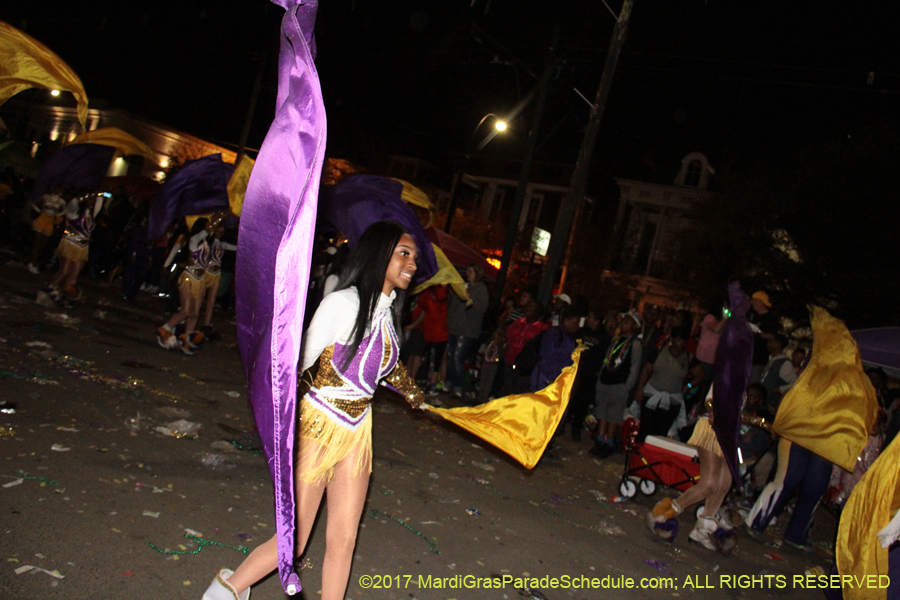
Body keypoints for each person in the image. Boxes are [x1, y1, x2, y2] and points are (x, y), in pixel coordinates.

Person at [203, 221, 425, 600]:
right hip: (317, 426)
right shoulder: (342, 303)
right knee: (297, 537)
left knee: (344, 538)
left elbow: (384, 366)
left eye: (415, 257)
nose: (413, 264)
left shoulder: (388, 315)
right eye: (404, 254)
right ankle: (226, 590)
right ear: (379, 254)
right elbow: (297, 367)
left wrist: (415, 394)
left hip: (358, 434)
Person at [648, 386, 738, 555]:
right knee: (709, 483)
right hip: (712, 429)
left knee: (724, 483)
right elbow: (710, 400)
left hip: (729, 433)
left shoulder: (742, 378)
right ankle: (663, 514)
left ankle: (702, 530)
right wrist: (713, 412)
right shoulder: (728, 370)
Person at [634, 326, 705, 440]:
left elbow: (701, 374)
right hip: (651, 396)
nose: (680, 343)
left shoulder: (688, 358)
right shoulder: (659, 351)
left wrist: (689, 385)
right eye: (678, 339)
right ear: (672, 339)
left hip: (672, 401)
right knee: (645, 430)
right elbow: (646, 370)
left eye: (683, 340)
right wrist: (639, 389)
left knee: (661, 433)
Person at [157, 217, 216, 355]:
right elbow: (206, 231)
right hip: (189, 278)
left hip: (199, 280)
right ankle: (165, 329)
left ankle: (187, 340)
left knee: (195, 313)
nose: (210, 228)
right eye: (207, 226)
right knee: (186, 311)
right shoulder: (194, 240)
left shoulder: (206, 243)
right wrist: (223, 215)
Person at [590, 310, 642, 458]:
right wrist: (601, 374)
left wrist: (628, 386)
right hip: (606, 380)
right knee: (602, 412)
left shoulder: (635, 344)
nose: (623, 324)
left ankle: (609, 442)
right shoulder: (615, 339)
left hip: (620, 384)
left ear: (634, 326)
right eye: (623, 321)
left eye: (627, 322)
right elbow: (607, 358)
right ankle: (599, 440)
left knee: (614, 415)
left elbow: (634, 367)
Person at [46, 191, 105, 304]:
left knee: (74, 274)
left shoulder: (92, 215)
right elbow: (74, 202)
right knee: (64, 271)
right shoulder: (74, 212)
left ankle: (67, 296)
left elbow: (100, 201)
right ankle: (51, 288)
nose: (91, 201)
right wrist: (85, 196)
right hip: (69, 243)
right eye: (89, 200)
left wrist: (98, 193)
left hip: (82, 247)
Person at [567, 310, 613, 441]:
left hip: (590, 374)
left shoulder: (603, 337)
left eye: (590, 317)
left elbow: (605, 357)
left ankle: (576, 427)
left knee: (583, 401)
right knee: (570, 398)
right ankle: (563, 422)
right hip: (574, 370)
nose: (587, 318)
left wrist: (598, 370)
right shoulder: (580, 331)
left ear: (597, 321)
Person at [445, 264, 489, 397]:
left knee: (458, 357)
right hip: (455, 327)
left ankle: (459, 386)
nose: (467, 273)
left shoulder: (481, 290)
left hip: (467, 330)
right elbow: (453, 306)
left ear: (477, 274)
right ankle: (449, 383)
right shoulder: (464, 286)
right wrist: (453, 295)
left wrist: (469, 298)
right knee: (452, 356)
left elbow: (481, 308)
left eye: (470, 271)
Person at [530, 305, 580, 392]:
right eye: (574, 323)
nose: (577, 326)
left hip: (557, 381)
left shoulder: (569, 338)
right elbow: (546, 357)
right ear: (566, 321)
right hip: (545, 380)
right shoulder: (554, 334)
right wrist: (551, 378)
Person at [28, 186, 67, 274]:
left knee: (43, 245)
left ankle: (35, 261)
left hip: (50, 221)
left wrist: (58, 214)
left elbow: (65, 210)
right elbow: (34, 203)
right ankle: (33, 263)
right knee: (37, 243)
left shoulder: (61, 201)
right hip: (42, 219)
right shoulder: (46, 197)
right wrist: (38, 210)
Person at [759, 333, 797, 411]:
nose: (768, 344)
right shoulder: (774, 360)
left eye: (770, 342)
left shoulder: (784, 363)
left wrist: (778, 390)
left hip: (770, 406)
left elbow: (795, 383)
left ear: (777, 344)